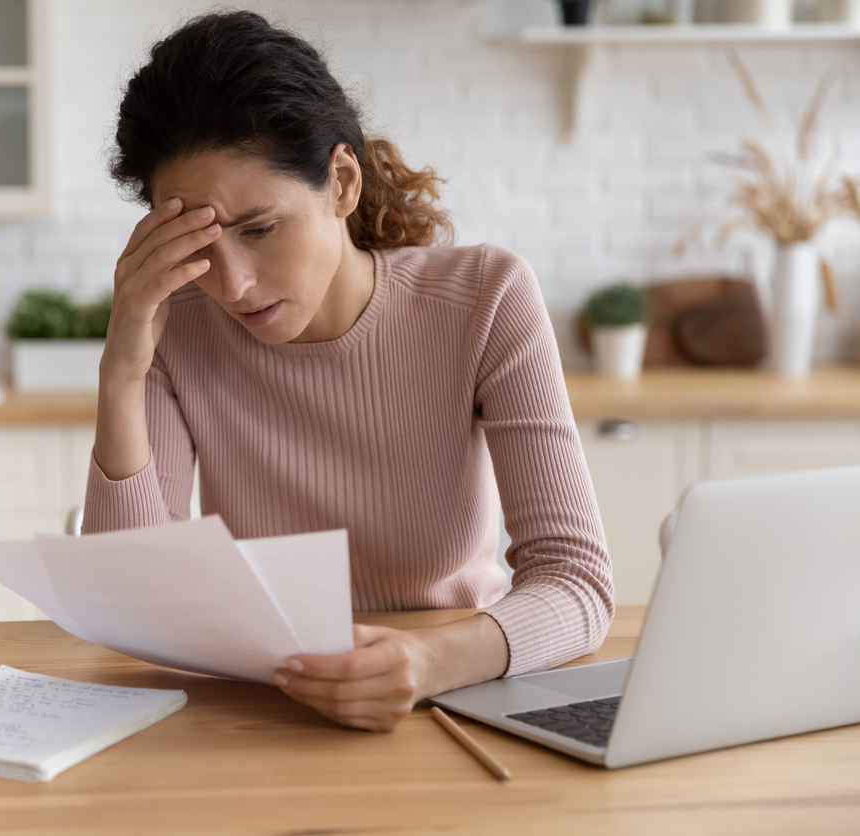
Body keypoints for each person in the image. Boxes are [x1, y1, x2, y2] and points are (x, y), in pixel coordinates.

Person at [83, 11, 613, 732]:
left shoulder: (486, 298)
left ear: (341, 181)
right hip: (265, 712)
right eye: (199, 245)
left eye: (259, 230)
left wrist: (428, 663)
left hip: (454, 701)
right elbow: (135, 609)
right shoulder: (173, 329)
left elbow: (578, 585)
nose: (232, 285)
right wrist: (121, 369)